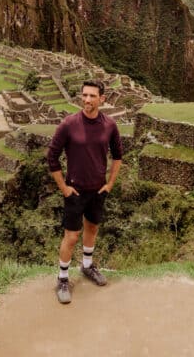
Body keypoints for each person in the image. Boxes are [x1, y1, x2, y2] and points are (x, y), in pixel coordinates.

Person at [47, 79, 123, 304]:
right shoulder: (69, 124)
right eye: (84, 95)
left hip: (98, 189)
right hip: (75, 191)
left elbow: (118, 156)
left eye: (92, 96)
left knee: (92, 228)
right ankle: (62, 279)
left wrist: (109, 184)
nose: (87, 100)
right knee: (71, 237)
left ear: (102, 99)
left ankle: (87, 266)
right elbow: (52, 157)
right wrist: (63, 187)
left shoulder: (109, 125)